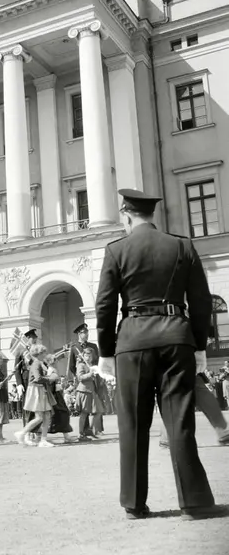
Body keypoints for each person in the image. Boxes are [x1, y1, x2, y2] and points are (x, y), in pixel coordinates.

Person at [95, 188, 216, 521]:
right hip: (176, 337)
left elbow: (105, 304)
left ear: (126, 215)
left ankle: (133, 503)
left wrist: (106, 351)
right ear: (152, 215)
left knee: (132, 424)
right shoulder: (182, 246)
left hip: (132, 341)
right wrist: (199, 344)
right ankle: (194, 502)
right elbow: (202, 300)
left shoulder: (116, 250)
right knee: (180, 422)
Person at [14, 344, 55, 448]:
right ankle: (22, 433)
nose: (45, 354)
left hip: (40, 390)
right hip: (36, 390)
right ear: (39, 353)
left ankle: (43, 440)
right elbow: (38, 378)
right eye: (44, 352)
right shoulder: (36, 363)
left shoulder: (38, 362)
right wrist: (50, 378)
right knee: (39, 417)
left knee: (46, 415)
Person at [44, 354, 74, 442]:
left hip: (57, 394)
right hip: (53, 395)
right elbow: (49, 383)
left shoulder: (53, 369)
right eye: (53, 360)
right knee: (56, 415)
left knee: (63, 413)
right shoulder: (50, 370)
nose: (55, 362)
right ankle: (41, 437)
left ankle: (66, 436)